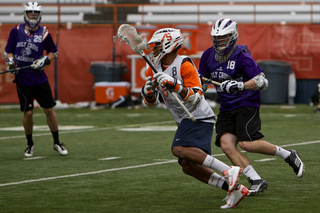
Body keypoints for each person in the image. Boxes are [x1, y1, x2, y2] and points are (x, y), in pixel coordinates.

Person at [141, 28, 249, 209]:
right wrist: (149, 94)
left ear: (169, 45)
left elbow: (197, 96)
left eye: (157, 45)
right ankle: (236, 190)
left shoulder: (184, 64)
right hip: (184, 119)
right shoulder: (155, 68)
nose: (154, 49)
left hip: (198, 116)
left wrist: (175, 85)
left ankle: (228, 170)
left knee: (178, 149)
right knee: (187, 165)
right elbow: (151, 103)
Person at [198, 18, 305, 196]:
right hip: (226, 106)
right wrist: (198, 87)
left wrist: (239, 85)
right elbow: (201, 79)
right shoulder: (208, 55)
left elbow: (262, 81)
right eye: (217, 38)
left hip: (246, 102)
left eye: (224, 37)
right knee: (226, 145)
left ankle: (288, 155)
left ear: (233, 36)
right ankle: (256, 179)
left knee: (247, 143)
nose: (219, 41)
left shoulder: (241, 55)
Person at [4, 2, 67, 157]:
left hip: (39, 77)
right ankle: (30, 144)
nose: (33, 15)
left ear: (39, 15)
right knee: (28, 113)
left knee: (49, 109)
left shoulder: (44, 32)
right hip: (22, 77)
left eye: (36, 13)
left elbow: (53, 51)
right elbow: (8, 51)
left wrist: (45, 59)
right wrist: (11, 62)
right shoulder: (16, 30)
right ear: (26, 14)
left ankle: (57, 142)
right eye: (31, 12)